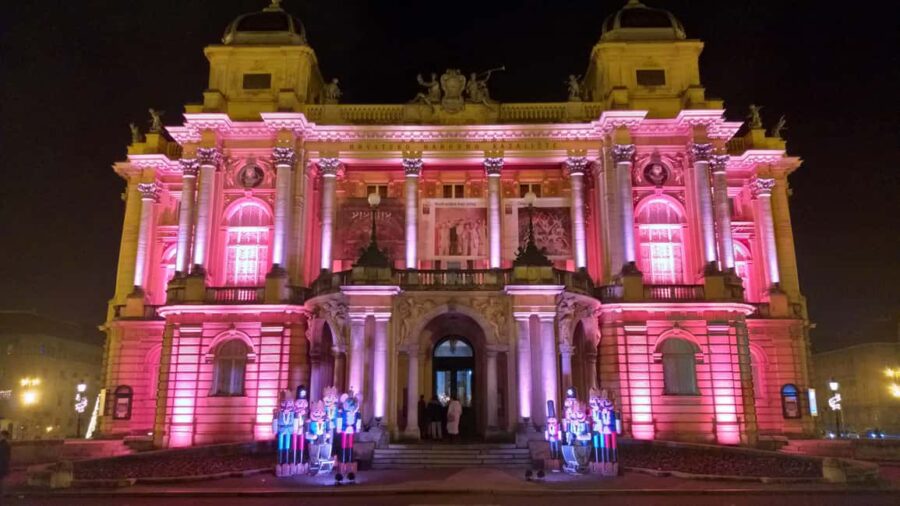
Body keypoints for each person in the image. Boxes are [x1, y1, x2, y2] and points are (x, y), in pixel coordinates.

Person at [0, 430, 10, 496]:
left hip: (2, 462)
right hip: (3, 462)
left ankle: (3, 492)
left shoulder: (3, 443)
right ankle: (3, 492)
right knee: (2, 478)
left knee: (2, 478)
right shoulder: (6, 443)